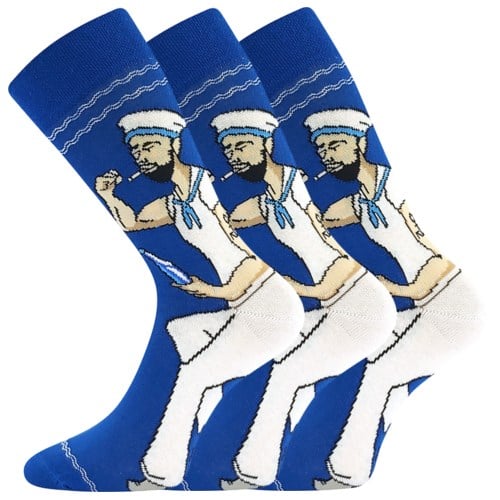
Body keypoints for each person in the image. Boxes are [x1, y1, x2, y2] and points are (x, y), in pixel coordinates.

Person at [96, 109, 295, 490]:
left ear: (175, 144)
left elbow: (247, 256)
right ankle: (204, 445)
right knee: (184, 332)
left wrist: (215, 291)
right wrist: (108, 195)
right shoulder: (174, 201)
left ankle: (161, 472)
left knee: (191, 376)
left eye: (149, 146)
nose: (140, 157)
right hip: (248, 301)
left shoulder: (210, 188)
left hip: (256, 296)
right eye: (135, 150)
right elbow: (135, 221)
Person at [211, 109, 392, 488]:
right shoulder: (268, 200)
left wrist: (305, 290)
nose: (233, 158)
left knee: (286, 374)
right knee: (304, 373)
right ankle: (323, 465)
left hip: (344, 294)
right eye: (228, 151)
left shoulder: (305, 190)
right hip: (337, 297)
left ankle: (260, 471)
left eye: (242, 146)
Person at [304, 108, 468, 488]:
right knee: (362, 362)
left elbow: (422, 252)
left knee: (375, 374)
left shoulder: (381, 192)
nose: (326, 155)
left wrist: (400, 290)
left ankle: (344, 469)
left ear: (360, 143)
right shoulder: (354, 201)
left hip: (431, 296)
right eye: (321, 148)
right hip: (417, 302)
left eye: (335, 144)